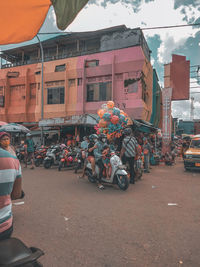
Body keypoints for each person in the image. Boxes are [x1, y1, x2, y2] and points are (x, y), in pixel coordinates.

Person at [0, 131, 24, 240]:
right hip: (5, 226)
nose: (6, 141)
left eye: (7, 139)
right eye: (3, 139)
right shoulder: (13, 159)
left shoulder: (12, 150)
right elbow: (16, 194)